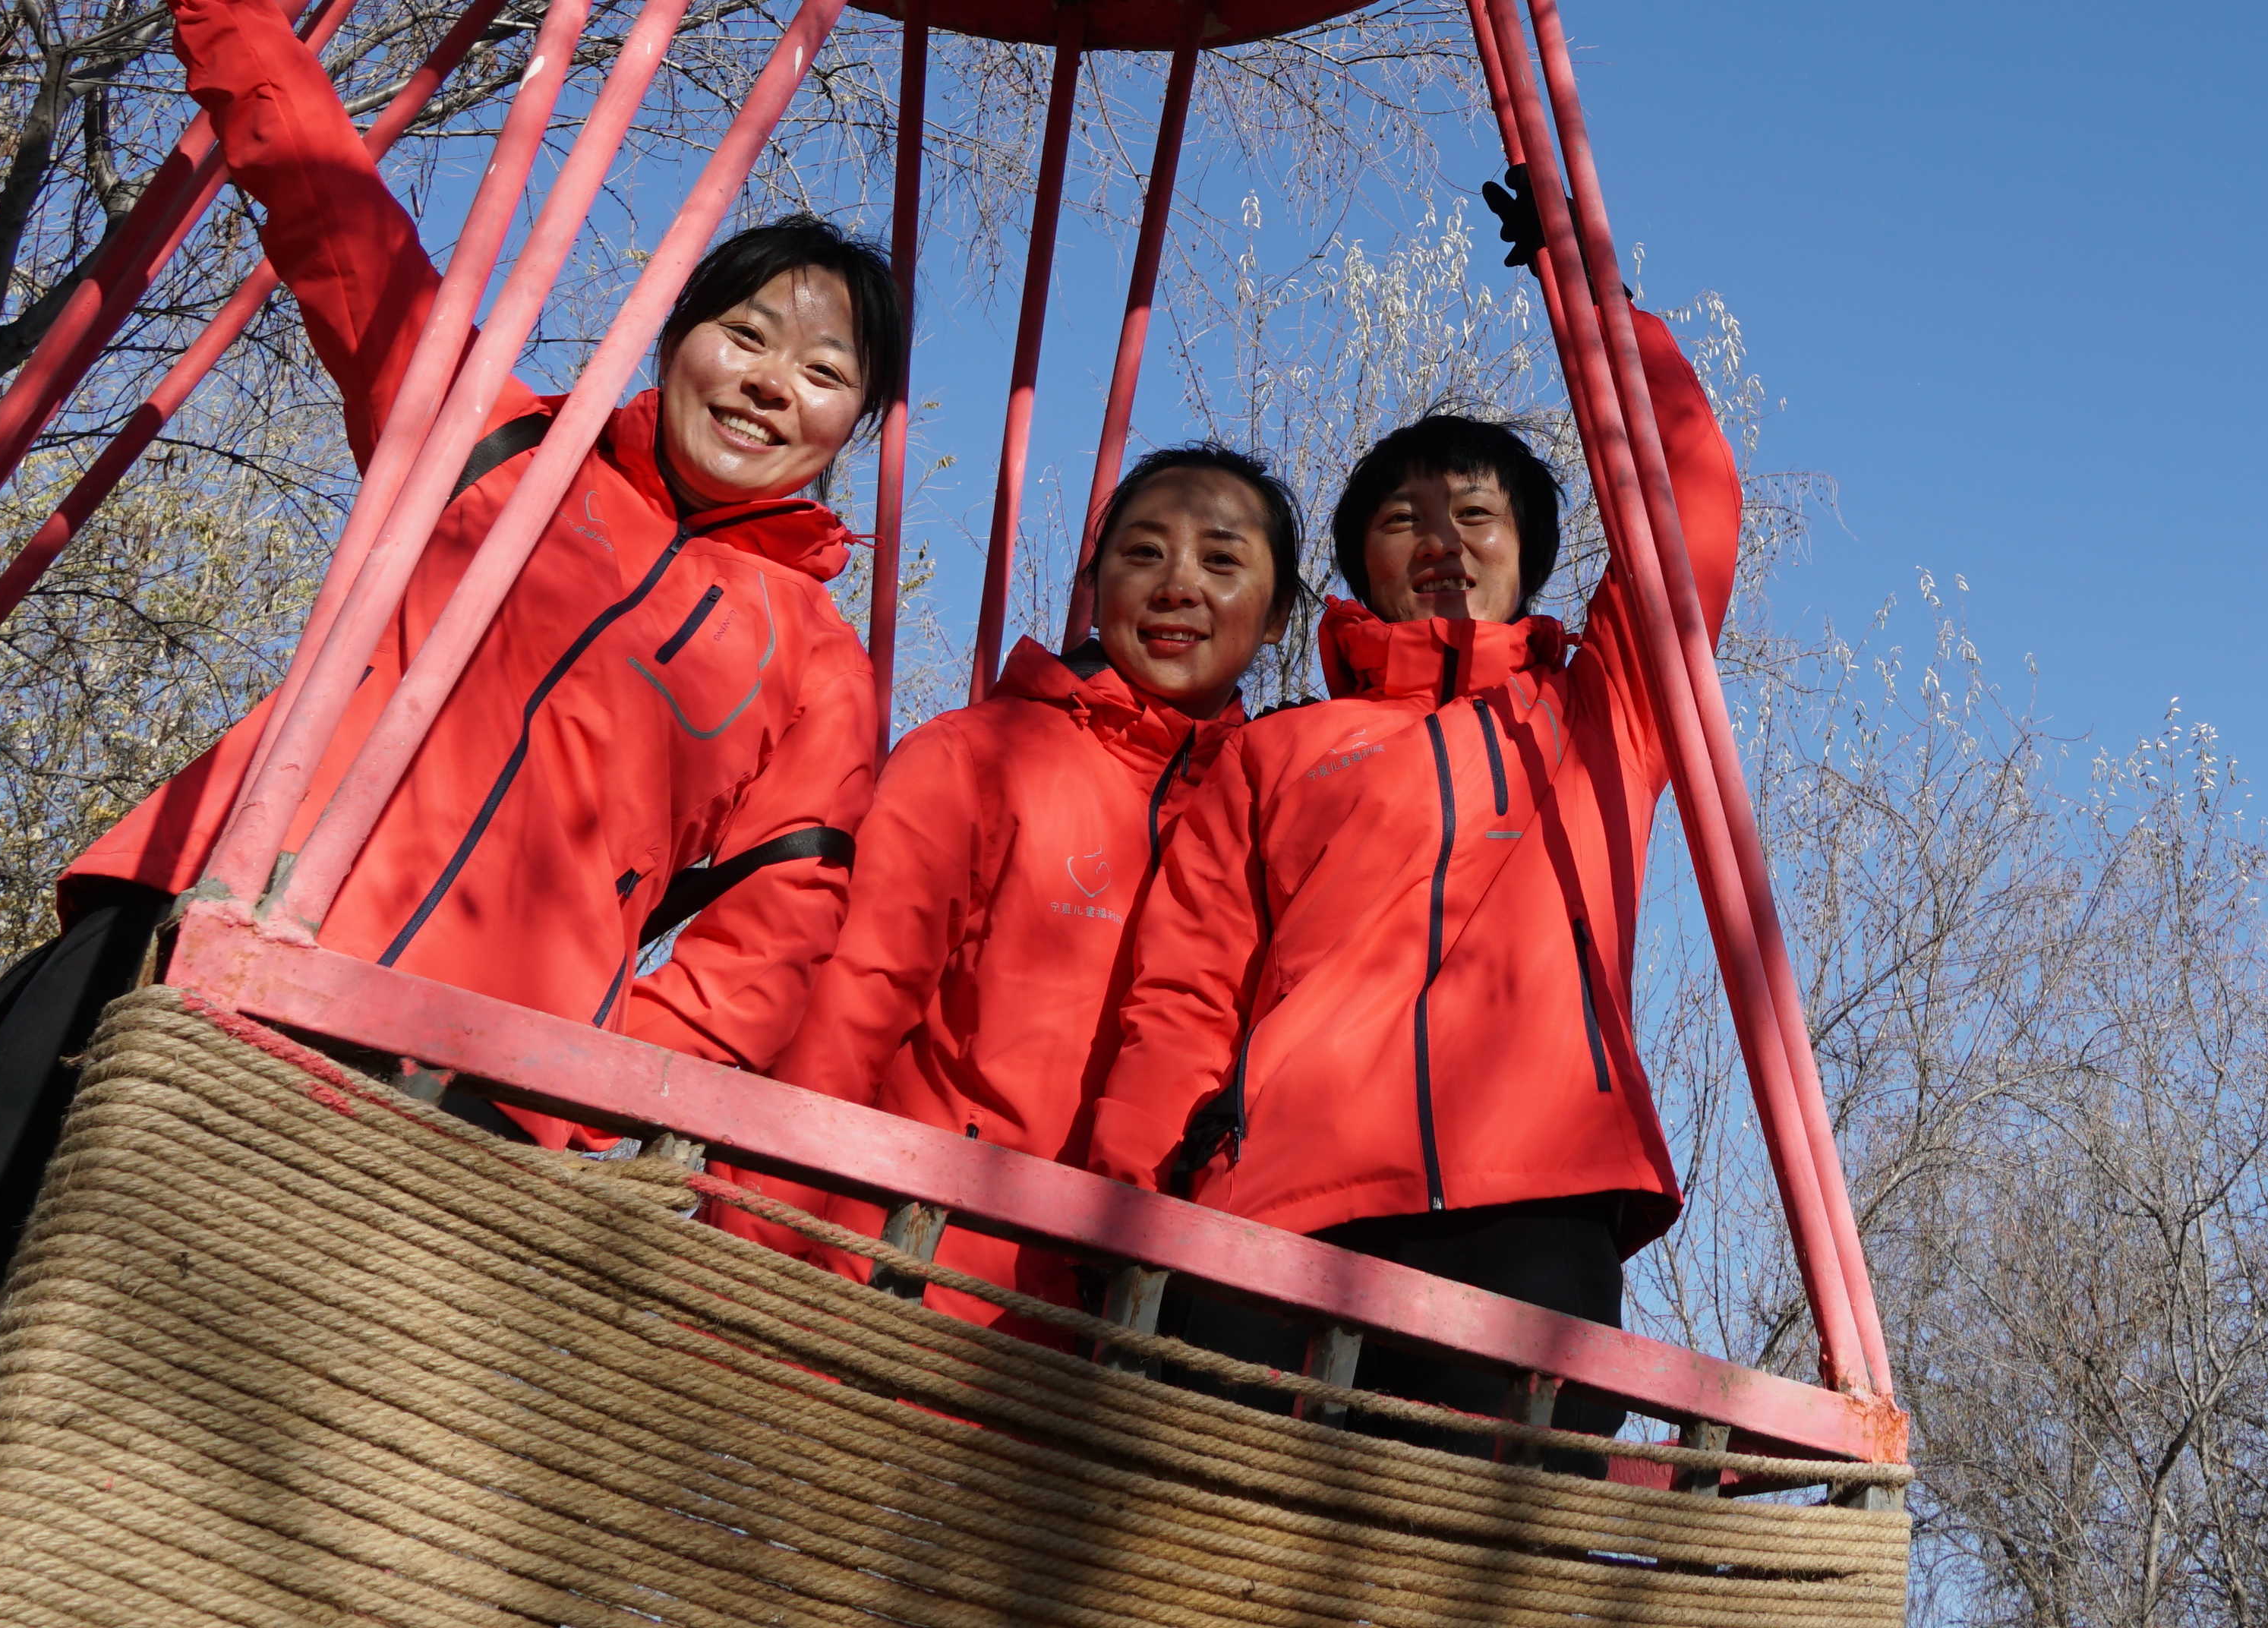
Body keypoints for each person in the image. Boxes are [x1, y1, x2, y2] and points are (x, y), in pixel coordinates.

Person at [0, 0, 894, 1626]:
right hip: (194, 932)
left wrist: (577, 1082)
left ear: (858, 425)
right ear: (677, 335)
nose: (774, 375)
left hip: (444, 1070)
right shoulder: (498, 443)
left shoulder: (817, 659)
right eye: (746, 326)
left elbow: (782, 922)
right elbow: (332, 216)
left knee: (243, 1499)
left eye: (828, 366)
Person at [1080, 226, 1739, 1428]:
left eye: (1477, 514)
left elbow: (1687, 503)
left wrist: (1596, 302)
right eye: (1403, 519)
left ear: (1529, 555)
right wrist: (1126, 1204)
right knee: (1209, 1520)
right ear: (1358, 567)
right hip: (1284, 1202)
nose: (1443, 541)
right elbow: (1184, 994)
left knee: (1496, 1525)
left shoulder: (1605, 713)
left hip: (1535, 1196)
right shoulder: (1278, 750)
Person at [726, 446, 1296, 1329]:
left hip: (1114, 1335)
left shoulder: (1279, 820)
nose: (1177, 586)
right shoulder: (978, 758)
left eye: (1221, 561)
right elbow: (848, 1008)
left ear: (1279, 615)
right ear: (1093, 585)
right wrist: (745, 1257)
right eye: (1143, 553)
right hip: (899, 1279)